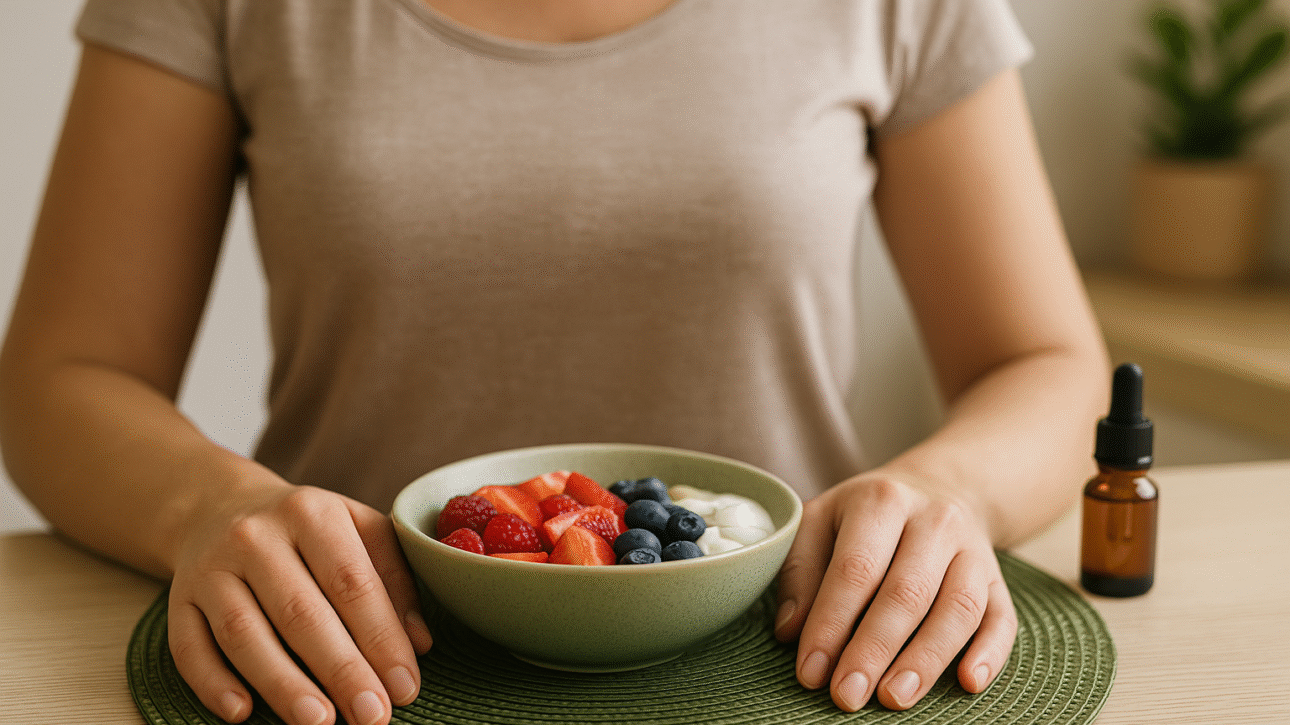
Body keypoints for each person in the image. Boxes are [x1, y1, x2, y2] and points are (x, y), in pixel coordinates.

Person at [0, 1, 1110, 724]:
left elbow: (1044, 359)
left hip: (788, 661)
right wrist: (208, 505)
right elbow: (63, 373)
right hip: (349, 658)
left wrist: (950, 487)